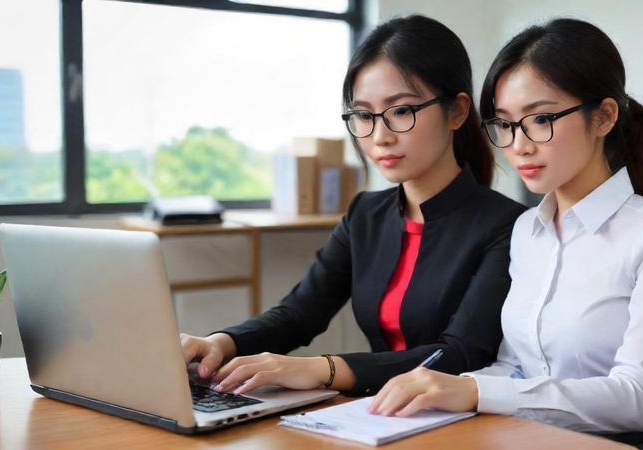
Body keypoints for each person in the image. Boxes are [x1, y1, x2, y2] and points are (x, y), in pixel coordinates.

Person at [368, 18, 643, 440]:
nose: (518, 145)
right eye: (505, 124)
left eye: (541, 119)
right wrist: (438, 391)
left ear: (603, 117)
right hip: (533, 433)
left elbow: (636, 399)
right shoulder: (527, 229)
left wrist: (473, 391)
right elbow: (514, 368)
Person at [180, 15, 526, 397]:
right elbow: (298, 315)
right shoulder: (365, 214)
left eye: (401, 111)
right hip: (376, 412)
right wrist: (220, 343)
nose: (380, 136)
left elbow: (459, 354)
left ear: (457, 111)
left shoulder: (508, 226)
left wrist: (322, 369)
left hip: (464, 417)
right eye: (363, 115)